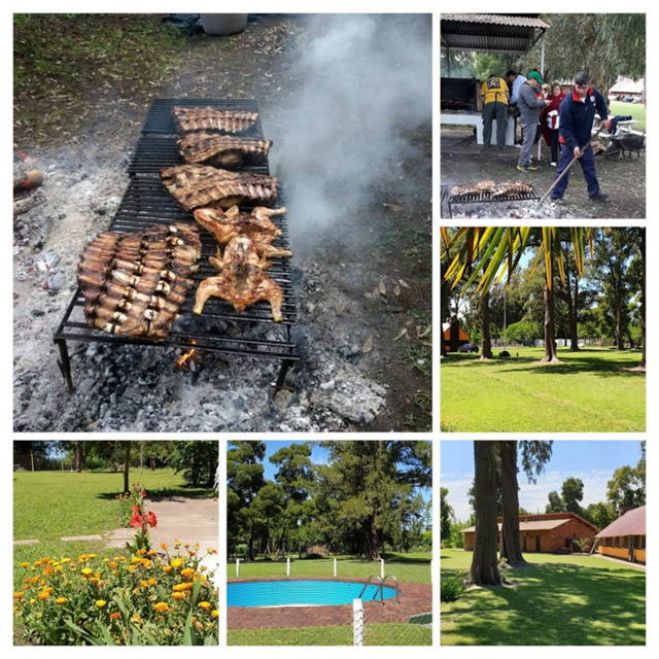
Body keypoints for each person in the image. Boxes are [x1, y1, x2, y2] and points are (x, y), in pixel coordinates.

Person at [550, 70, 611, 202]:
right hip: (568, 141)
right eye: (578, 87)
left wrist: (604, 118)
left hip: (585, 140)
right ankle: (556, 196)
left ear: (588, 85)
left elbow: (600, 103)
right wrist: (574, 146)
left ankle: (594, 194)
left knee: (589, 168)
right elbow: (564, 129)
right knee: (564, 169)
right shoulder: (567, 104)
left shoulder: (593, 94)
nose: (581, 90)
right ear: (574, 85)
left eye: (584, 87)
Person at [516, 70, 549, 171]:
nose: (538, 83)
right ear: (532, 80)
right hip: (528, 119)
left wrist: (543, 90)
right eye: (537, 81)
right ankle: (521, 164)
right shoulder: (525, 89)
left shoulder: (530, 88)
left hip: (532, 119)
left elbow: (538, 93)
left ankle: (527, 163)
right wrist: (544, 103)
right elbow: (532, 103)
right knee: (528, 142)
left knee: (530, 142)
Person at [480, 72, 509, 148]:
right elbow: (507, 94)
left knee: (487, 124)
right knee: (501, 124)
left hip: (489, 103)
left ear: (490, 77)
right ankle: (500, 145)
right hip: (501, 102)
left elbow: (482, 98)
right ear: (496, 77)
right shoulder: (502, 81)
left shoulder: (485, 82)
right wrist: (507, 102)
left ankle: (486, 144)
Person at [541, 82, 566, 166]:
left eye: (557, 89)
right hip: (551, 125)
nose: (555, 91)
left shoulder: (564, 97)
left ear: (560, 89)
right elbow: (545, 109)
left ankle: (564, 158)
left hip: (562, 124)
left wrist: (557, 112)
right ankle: (554, 159)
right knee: (553, 142)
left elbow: (566, 108)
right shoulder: (550, 98)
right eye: (554, 89)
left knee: (562, 142)